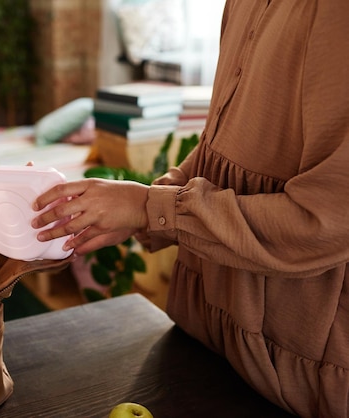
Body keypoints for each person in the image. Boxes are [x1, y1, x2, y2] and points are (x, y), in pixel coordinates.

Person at [32, 1, 349, 417]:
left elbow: (324, 221)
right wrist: (143, 205)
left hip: (296, 378)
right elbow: (219, 139)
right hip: (206, 336)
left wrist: (152, 208)